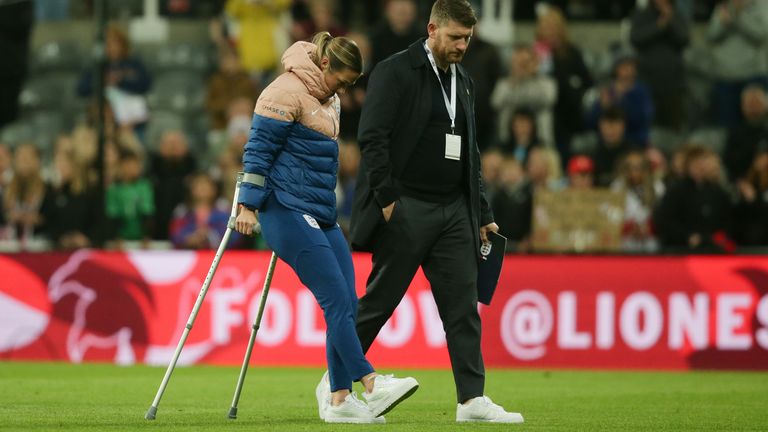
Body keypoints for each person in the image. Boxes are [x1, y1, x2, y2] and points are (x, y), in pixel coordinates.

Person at [348, 0, 523, 423]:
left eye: (467, 38)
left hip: (453, 212)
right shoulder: (394, 71)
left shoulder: (463, 79)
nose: (462, 45)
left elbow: (471, 153)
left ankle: (471, 400)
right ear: (431, 29)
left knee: (462, 308)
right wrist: (389, 202)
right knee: (379, 303)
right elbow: (372, 139)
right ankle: (335, 380)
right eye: (455, 37)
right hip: (407, 207)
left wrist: (481, 210)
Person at [233, 32, 418, 424]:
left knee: (349, 303)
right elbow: (258, 148)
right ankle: (370, 383)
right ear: (323, 65)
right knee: (335, 298)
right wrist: (248, 205)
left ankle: (338, 400)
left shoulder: (328, 97)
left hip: (320, 211)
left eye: (352, 83)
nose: (346, 90)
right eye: (342, 80)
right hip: (283, 208)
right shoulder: (282, 91)